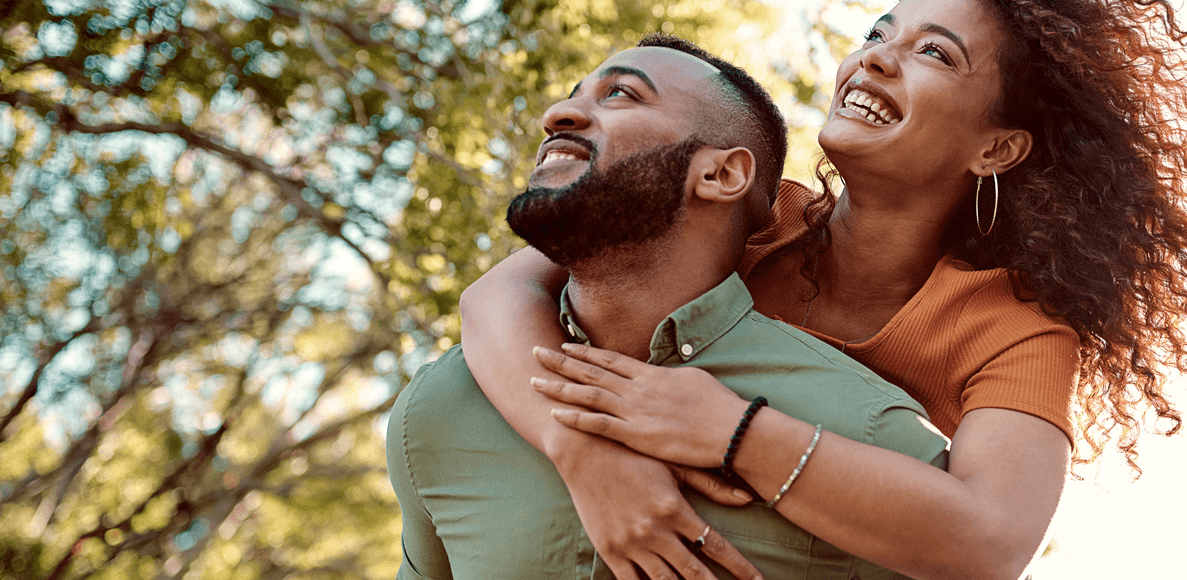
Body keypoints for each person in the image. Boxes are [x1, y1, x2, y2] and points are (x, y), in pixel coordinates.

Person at [458, 0, 1187, 579]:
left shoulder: (1014, 328)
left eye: (932, 52)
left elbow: (992, 540)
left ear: (996, 148)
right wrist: (584, 454)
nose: (874, 61)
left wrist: (731, 429)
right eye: (877, 34)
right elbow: (499, 293)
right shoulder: (753, 213)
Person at [385, 35, 951, 580]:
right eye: (574, 93)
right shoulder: (441, 407)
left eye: (621, 94)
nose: (558, 112)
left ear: (721, 174)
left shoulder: (874, 436)